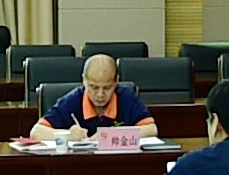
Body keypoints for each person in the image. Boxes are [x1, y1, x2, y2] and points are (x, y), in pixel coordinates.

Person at [30, 54, 158, 140]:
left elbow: (151, 129)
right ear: (84, 80)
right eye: (94, 87)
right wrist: (67, 135)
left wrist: (110, 135)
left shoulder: (126, 97)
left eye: (107, 88)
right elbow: (36, 132)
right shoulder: (72, 101)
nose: (100, 94)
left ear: (116, 82)